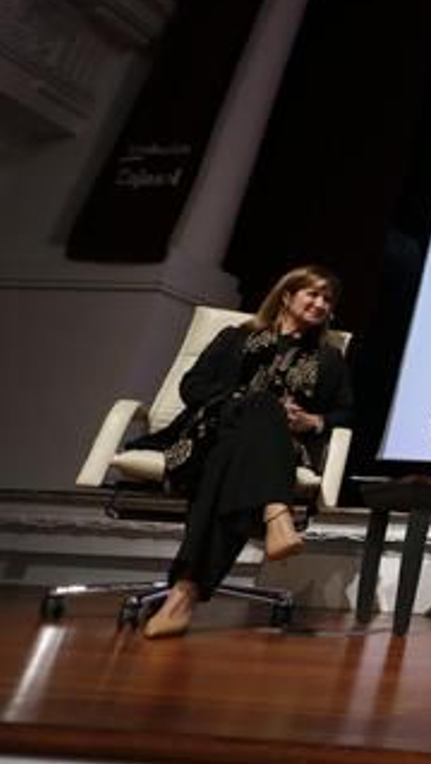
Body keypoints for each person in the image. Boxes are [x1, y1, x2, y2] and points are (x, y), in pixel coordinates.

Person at [136, 265, 354, 639]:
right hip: (206, 436)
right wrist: (243, 401)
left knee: (229, 465)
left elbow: (345, 412)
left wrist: (312, 422)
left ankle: (183, 594)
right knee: (260, 407)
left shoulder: (329, 358)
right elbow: (193, 387)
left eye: (328, 299)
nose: (321, 304)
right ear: (286, 296)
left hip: (269, 451)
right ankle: (275, 511)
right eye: (312, 294)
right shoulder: (236, 338)